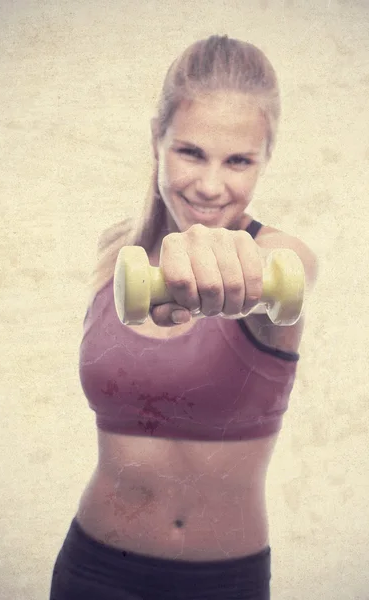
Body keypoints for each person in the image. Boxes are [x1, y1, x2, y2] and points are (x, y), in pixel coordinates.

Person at [49, 34, 318, 600]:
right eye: (191, 152)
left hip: (222, 581)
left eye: (239, 160)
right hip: (93, 568)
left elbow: (293, 267)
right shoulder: (114, 256)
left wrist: (242, 263)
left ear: (266, 160)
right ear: (157, 141)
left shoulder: (275, 262)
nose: (211, 185)